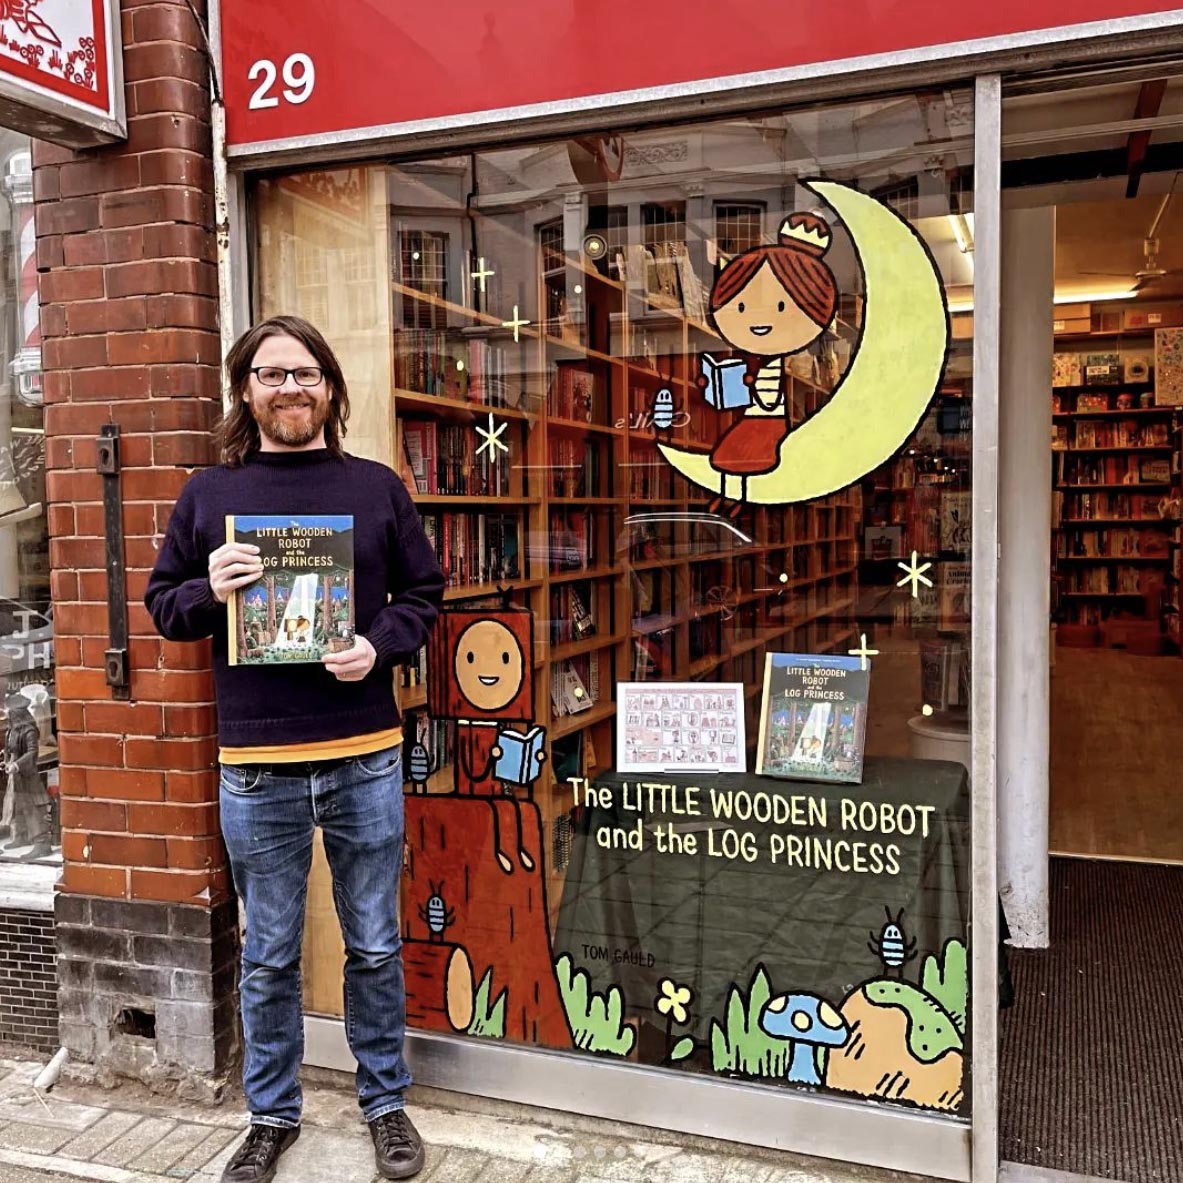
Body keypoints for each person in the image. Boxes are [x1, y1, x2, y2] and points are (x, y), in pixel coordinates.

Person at [145, 315, 445, 1183]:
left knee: (376, 944)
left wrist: (379, 645)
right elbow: (166, 609)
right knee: (269, 953)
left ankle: (385, 1104)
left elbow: (425, 594)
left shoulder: (376, 487)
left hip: (364, 752)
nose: (291, 388)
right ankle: (271, 1115)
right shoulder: (209, 494)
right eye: (273, 374)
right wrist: (209, 586)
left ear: (330, 389)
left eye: (307, 373)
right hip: (256, 765)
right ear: (247, 389)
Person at [698, 213, 839, 511]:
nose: (759, 321)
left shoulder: (773, 362)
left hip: (767, 422)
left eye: (779, 307)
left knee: (739, 455)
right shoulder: (758, 360)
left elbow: (770, 396)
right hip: (753, 419)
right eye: (742, 307)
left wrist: (745, 386)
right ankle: (730, 495)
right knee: (728, 454)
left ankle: (738, 497)